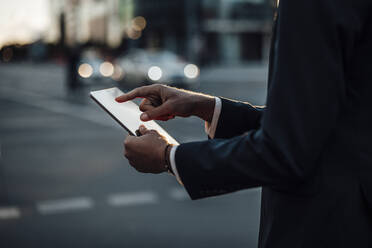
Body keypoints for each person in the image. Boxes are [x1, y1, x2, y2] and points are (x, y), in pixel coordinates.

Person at [115, 0, 372, 247]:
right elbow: (322, 122)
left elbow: (286, 150)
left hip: (328, 228)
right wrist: (207, 107)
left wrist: (169, 157)